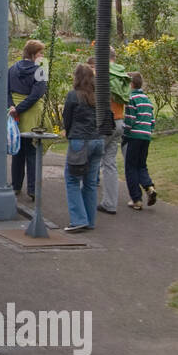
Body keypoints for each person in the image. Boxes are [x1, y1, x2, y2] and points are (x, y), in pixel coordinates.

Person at [62, 63, 104, 232]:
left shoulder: (74, 96)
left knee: (72, 180)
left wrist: (69, 132)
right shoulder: (97, 96)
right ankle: (89, 220)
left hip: (80, 140)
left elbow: (67, 118)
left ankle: (78, 219)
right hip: (98, 140)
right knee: (90, 182)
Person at [7, 39, 47, 200]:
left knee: (18, 150)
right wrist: (20, 108)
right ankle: (33, 189)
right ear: (33, 55)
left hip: (14, 114)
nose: (42, 56)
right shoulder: (40, 71)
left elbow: (6, 90)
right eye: (40, 53)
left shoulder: (12, 69)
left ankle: (16, 185)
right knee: (32, 151)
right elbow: (36, 95)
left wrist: (12, 107)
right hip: (30, 113)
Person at [96, 46, 131, 216]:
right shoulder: (121, 73)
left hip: (104, 123)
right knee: (109, 163)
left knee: (90, 159)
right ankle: (110, 203)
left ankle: (84, 200)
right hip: (119, 121)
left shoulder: (102, 73)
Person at [123, 70, 156, 210]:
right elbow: (152, 121)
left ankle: (136, 199)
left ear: (130, 84)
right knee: (141, 165)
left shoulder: (131, 99)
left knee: (130, 167)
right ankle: (149, 187)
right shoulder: (147, 100)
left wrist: (124, 133)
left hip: (134, 136)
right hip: (146, 136)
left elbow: (130, 120)